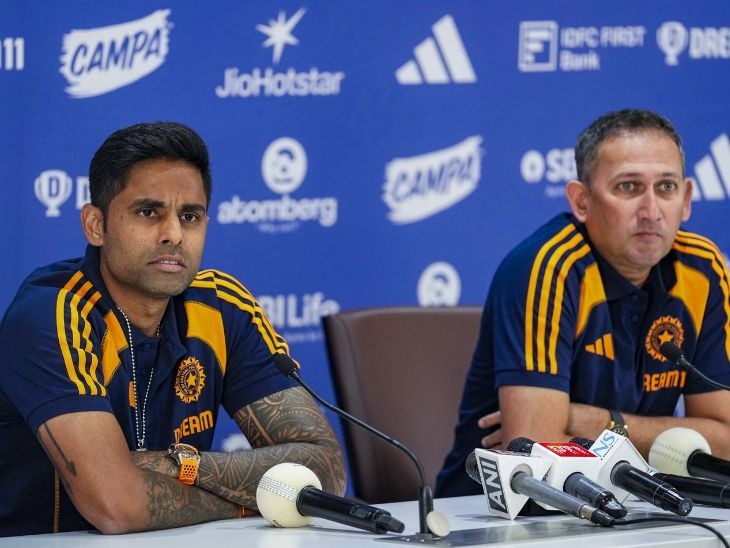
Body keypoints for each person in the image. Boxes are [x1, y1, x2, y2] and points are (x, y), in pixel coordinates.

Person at [0, 122, 346, 536]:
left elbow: (326, 472)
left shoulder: (222, 305)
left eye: (190, 216)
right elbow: (117, 505)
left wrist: (177, 466)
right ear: (96, 224)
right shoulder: (54, 314)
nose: (174, 235)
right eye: (149, 212)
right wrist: (257, 498)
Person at [436, 109, 730, 497]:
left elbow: (723, 443)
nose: (651, 211)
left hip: (637, 505)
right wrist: (659, 439)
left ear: (687, 199)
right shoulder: (546, 267)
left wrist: (595, 422)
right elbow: (536, 455)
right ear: (581, 201)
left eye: (666, 187)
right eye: (628, 187)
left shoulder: (703, 268)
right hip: (494, 512)